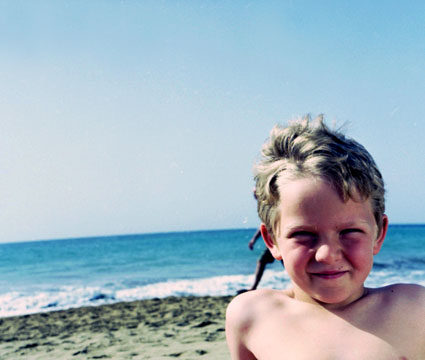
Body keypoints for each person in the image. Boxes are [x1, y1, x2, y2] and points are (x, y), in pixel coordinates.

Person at [226, 115, 425, 359]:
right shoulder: (250, 316)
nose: (328, 254)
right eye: (303, 234)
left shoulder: (415, 309)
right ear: (272, 241)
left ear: (378, 233)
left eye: (350, 232)